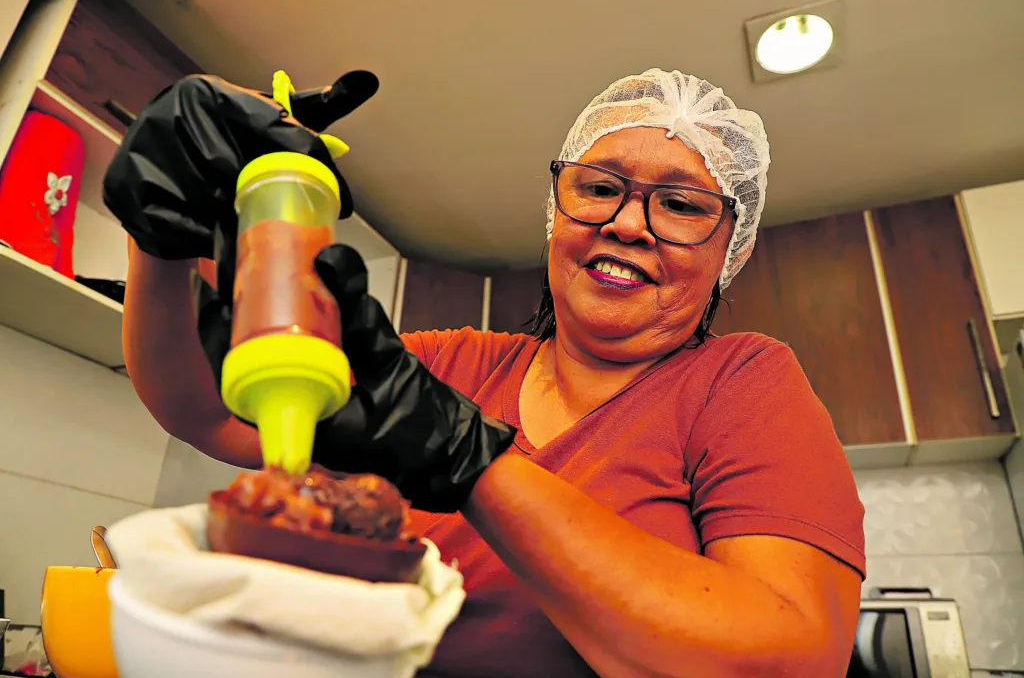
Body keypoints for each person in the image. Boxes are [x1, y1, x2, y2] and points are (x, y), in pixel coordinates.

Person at [109, 68, 865, 677]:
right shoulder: (448, 364)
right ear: (556, 213)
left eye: (680, 204)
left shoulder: (743, 382)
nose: (628, 223)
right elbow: (206, 412)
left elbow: (791, 659)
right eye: (600, 187)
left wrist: (473, 461)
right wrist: (163, 236)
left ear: (729, 250)